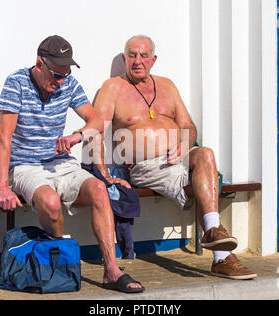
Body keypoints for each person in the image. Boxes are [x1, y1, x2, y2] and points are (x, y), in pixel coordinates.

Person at [93, 35, 257, 280]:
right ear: (126, 58)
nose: (138, 61)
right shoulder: (112, 88)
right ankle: (222, 257)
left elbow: (188, 126)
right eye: (132, 55)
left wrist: (184, 144)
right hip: (145, 166)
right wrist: (105, 175)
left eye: (144, 55)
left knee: (205, 154)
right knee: (204, 184)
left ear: (153, 59)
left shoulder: (167, 85)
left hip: (179, 159)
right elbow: (95, 131)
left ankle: (214, 234)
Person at [0, 35, 144, 293]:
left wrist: (77, 136)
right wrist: (2, 187)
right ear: (39, 64)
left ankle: (111, 270)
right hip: (26, 165)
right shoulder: (16, 83)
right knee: (51, 202)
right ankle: (59, 265)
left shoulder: (68, 83)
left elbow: (96, 122)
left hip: (61, 163)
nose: (60, 81)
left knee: (99, 190)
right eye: (56, 74)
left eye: (65, 74)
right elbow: (3, 139)